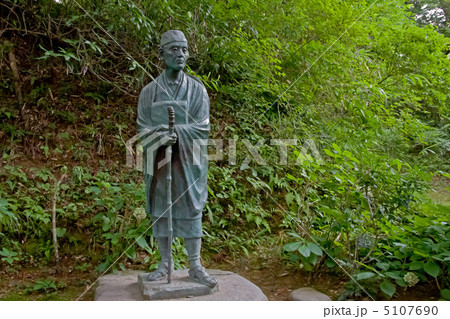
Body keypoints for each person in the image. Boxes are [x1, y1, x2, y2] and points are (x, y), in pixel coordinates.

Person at [136, 30, 216, 288]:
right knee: (162, 209)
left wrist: (177, 133)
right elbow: (142, 129)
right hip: (161, 162)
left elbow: (202, 128)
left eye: (183, 49)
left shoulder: (197, 90)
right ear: (161, 54)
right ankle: (165, 262)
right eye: (173, 49)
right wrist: (160, 137)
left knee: (191, 209)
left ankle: (195, 264)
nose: (180, 54)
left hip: (188, 162)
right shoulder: (149, 92)